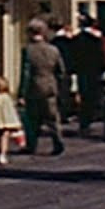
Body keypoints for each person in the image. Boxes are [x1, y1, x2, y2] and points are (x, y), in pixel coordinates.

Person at [18, 18, 66, 157]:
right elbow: (61, 71)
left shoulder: (28, 50)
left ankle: (31, 144)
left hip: (34, 87)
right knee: (52, 117)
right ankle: (58, 141)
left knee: (32, 119)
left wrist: (22, 92)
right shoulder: (53, 49)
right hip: (50, 86)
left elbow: (26, 72)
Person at [70, 17, 105, 135]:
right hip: (93, 72)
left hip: (81, 71)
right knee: (91, 97)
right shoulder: (95, 40)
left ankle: (83, 122)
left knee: (83, 95)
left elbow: (73, 57)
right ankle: (88, 120)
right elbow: (101, 57)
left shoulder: (76, 39)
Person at [0, 75, 21, 166]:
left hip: (0, 120)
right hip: (7, 120)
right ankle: (3, 153)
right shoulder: (7, 97)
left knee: (1, 136)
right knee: (5, 136)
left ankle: (2, 153)